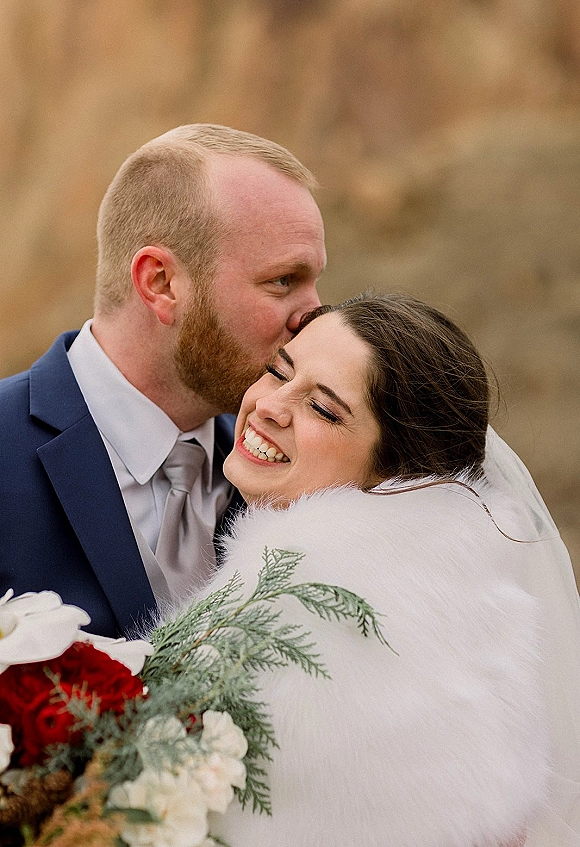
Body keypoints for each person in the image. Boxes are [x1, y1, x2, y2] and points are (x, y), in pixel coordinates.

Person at [195, 292, 550, 847]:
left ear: (397, 473)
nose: (269, 405)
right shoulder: (455, 609)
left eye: (324, 409)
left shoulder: (315, 610)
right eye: (276, 372)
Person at [0, 124, 325, 638]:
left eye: (314, 282)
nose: (315, 316)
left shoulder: (297, 467)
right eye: (283, 280)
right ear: (161, 283)